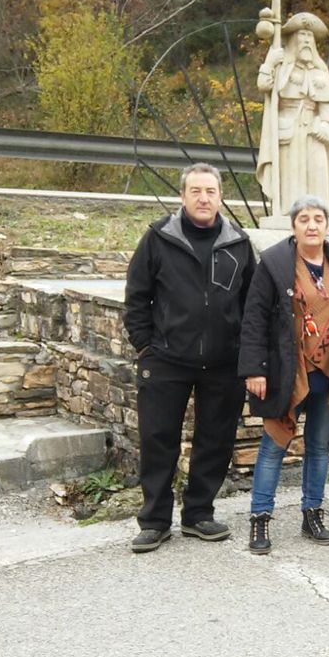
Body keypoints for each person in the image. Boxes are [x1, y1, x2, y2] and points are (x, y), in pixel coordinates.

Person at [123, 162, 256, 553]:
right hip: (166, 360)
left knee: (214, 441)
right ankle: (154, 521)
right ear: (183, 196)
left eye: (210, 191)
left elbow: (253, 305)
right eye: (196, 191)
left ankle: (199, 513)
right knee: (157, 440)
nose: (203, 198)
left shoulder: (238, 242)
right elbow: (136, 297)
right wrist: (146, 346)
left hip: (223, 362)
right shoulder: (159, 238)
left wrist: (244, 353)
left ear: (220, 197)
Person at [238, 195, 329, 555]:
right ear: (293, 226)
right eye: (304, 219)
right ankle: (260, 519)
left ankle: (312, 514)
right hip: (287, 372)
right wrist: (253, 370)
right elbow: (254, 318)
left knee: (319, 448)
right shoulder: (275, 263)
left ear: (327, 225)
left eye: (318, 219)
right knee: (273, 446)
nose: (312, 225)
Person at [256, 12, 329, 214]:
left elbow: (328, 105)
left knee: (317, 174)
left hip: (314, 131)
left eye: (310, 37)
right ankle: (288, 214)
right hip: (288, 131)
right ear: (293, 39)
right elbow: (263, 85)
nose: (306, 41)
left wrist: (326, 124)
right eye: (302, 36)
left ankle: (317, 216)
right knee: (291, 176)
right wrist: (269, 63)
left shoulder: (320, 72)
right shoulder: (282, 67)